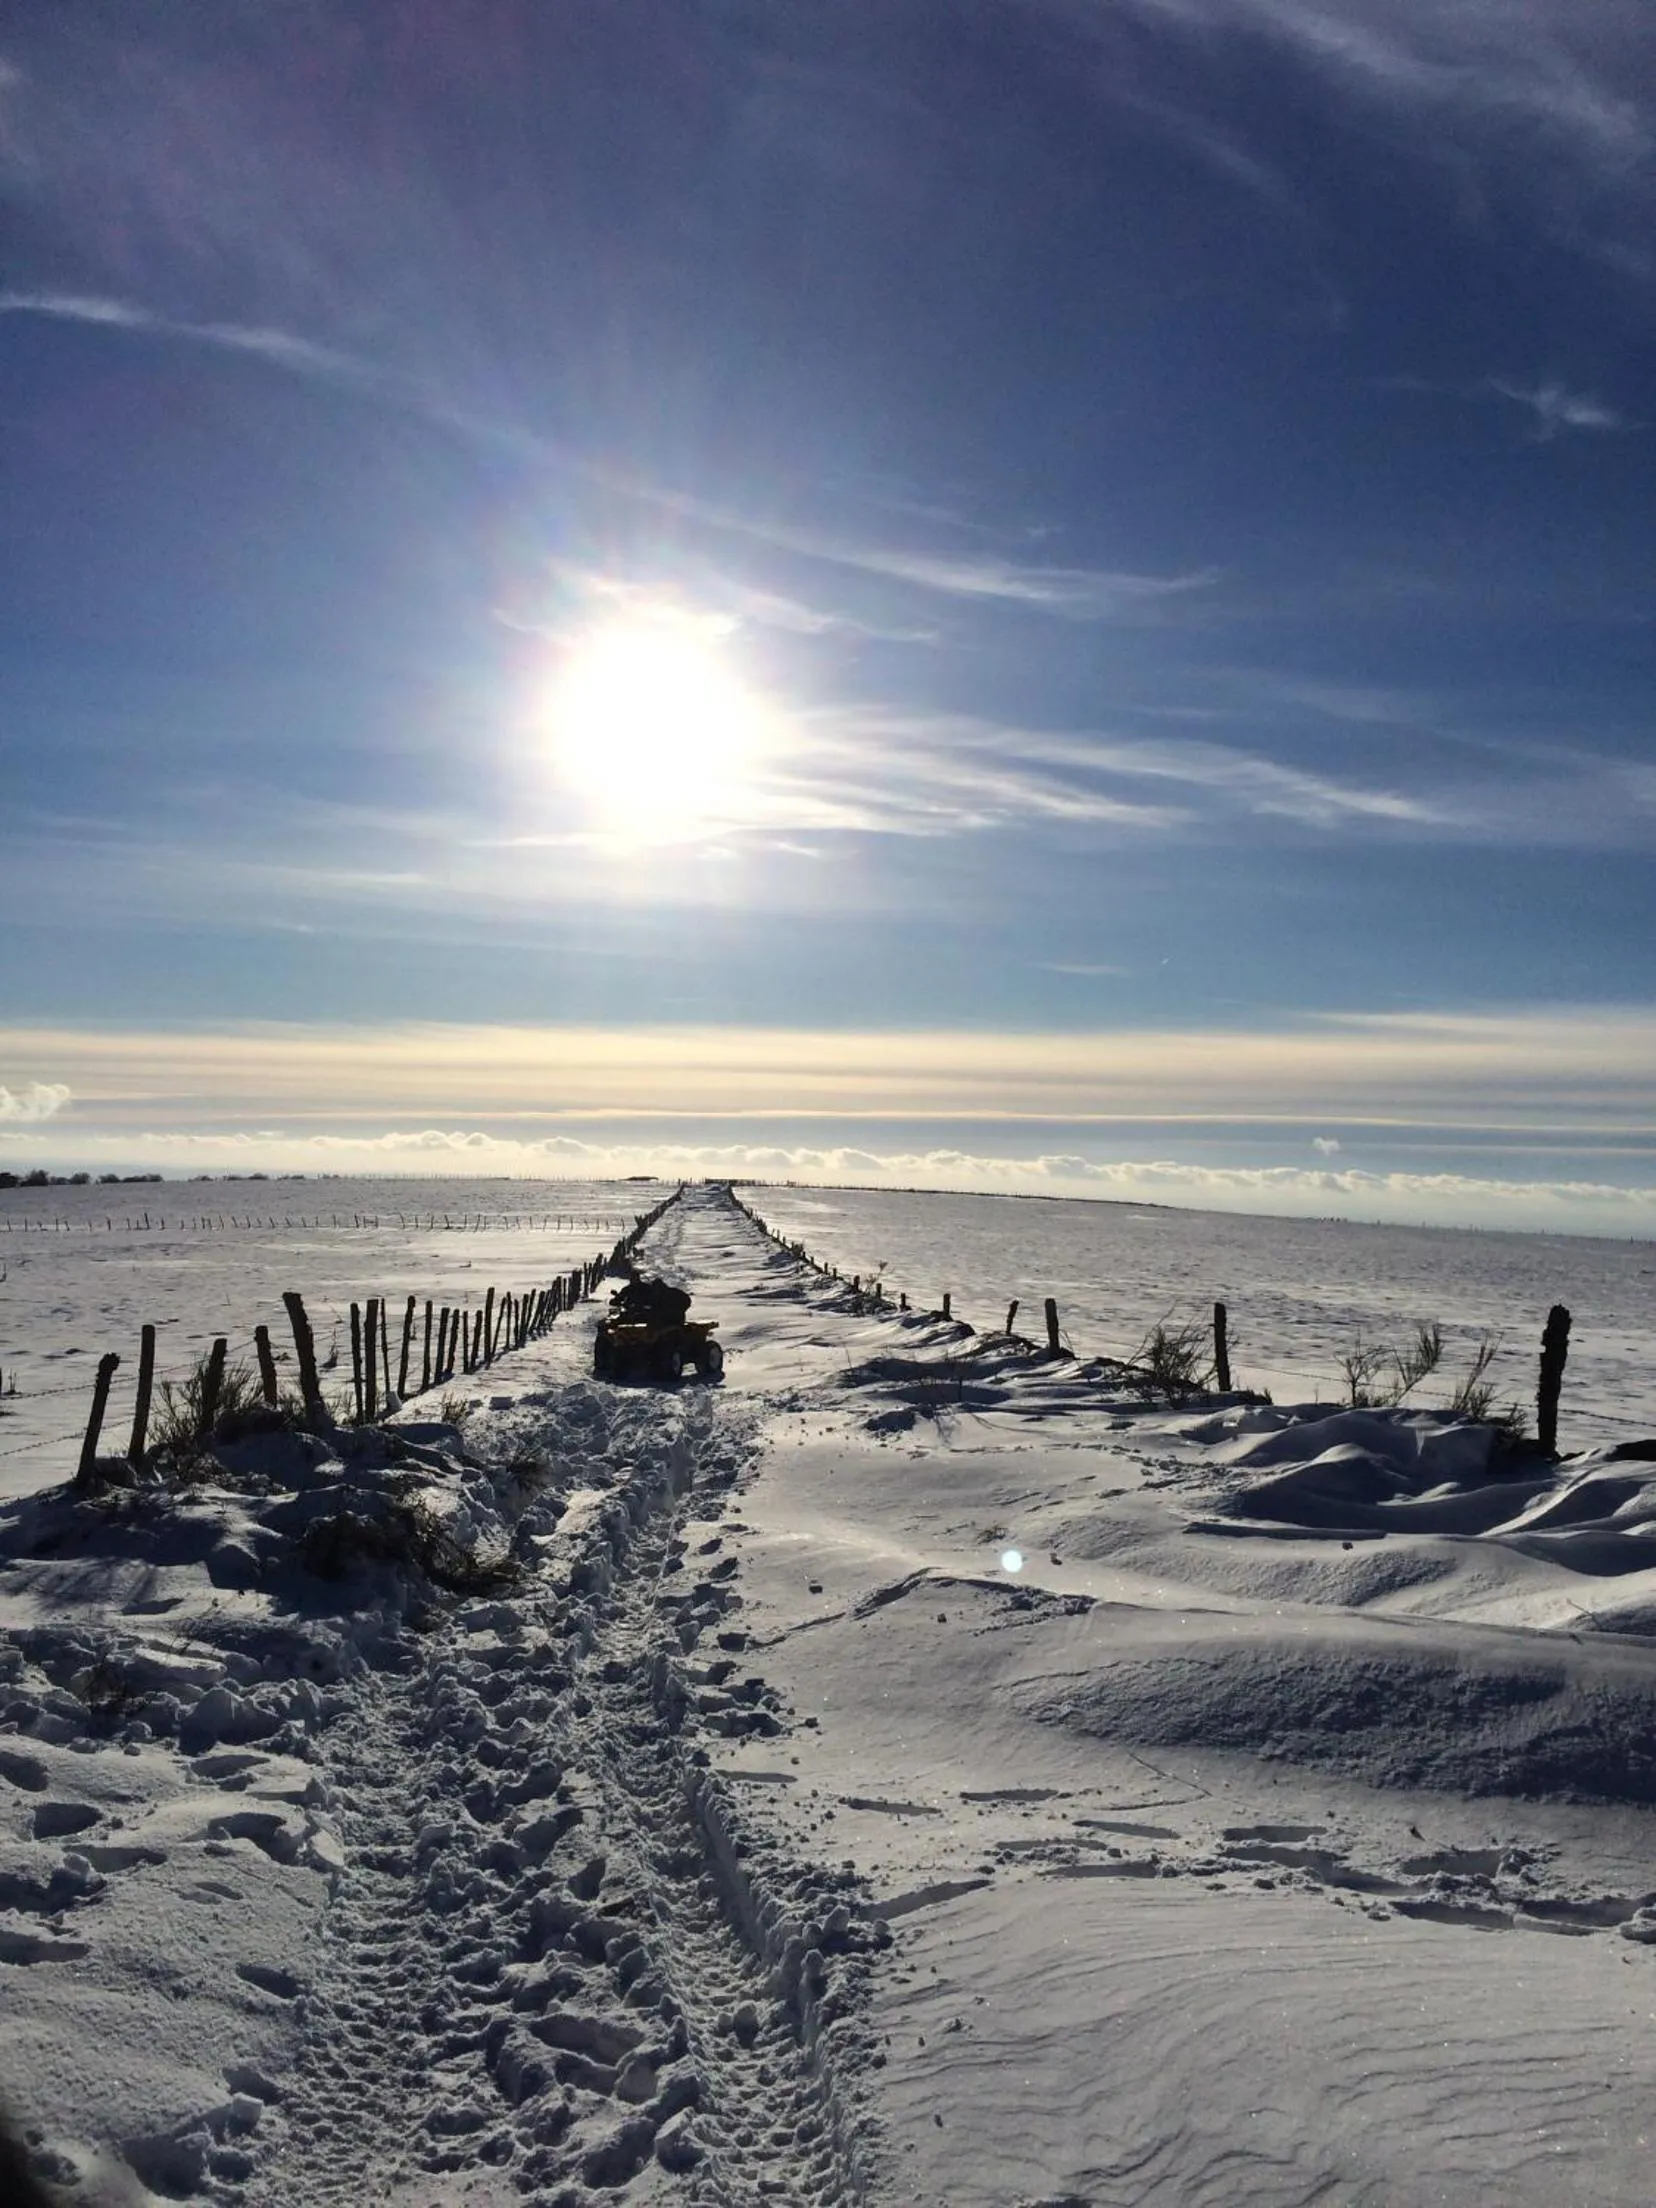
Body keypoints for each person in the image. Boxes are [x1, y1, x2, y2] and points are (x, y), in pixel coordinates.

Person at [614, 1273, 691, 1328]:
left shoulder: (648, 1289)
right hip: (673, 1320)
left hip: (664, 1320)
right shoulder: (629, 1289)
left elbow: (652, 1303)